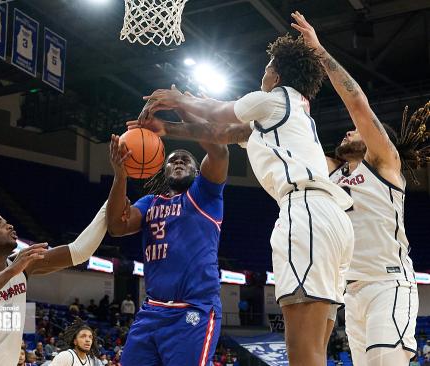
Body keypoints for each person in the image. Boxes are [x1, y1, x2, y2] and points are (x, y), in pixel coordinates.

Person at [137, 33, 354, 366]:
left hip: (307, 213)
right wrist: (163, 128)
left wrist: (177, 98)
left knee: (301, 350)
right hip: (333, 220)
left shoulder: (274, 98)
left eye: (267, 67)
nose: (262, 74)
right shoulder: (286, 112)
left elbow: (218, 111)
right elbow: (219, 134)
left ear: (277, 74)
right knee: (316, 348)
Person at [291, 11, 429, 366]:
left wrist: (318, 51)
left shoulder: (384, 163)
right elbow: (286, 145)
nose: (347, 133)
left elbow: (357, 105)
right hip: (349, 295)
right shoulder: (332, 174)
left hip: (389, 284)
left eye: (355, 132)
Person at [0, 200, 129, 366]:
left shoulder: (23, 266)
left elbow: (80, 251)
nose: (9, 225)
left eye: (6, 221)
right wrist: (11, 271)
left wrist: (108, 205)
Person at [106, 118, 229, 366]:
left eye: (186, 160)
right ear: (164, 170)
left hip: (193, 310)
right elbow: (116, 226)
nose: (179, 162)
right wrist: (121, 175)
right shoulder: (150, 203)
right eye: (173, 160)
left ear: (197, 172)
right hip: (152, 311)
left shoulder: (205, 195)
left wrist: (187, 116)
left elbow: (220, 152)